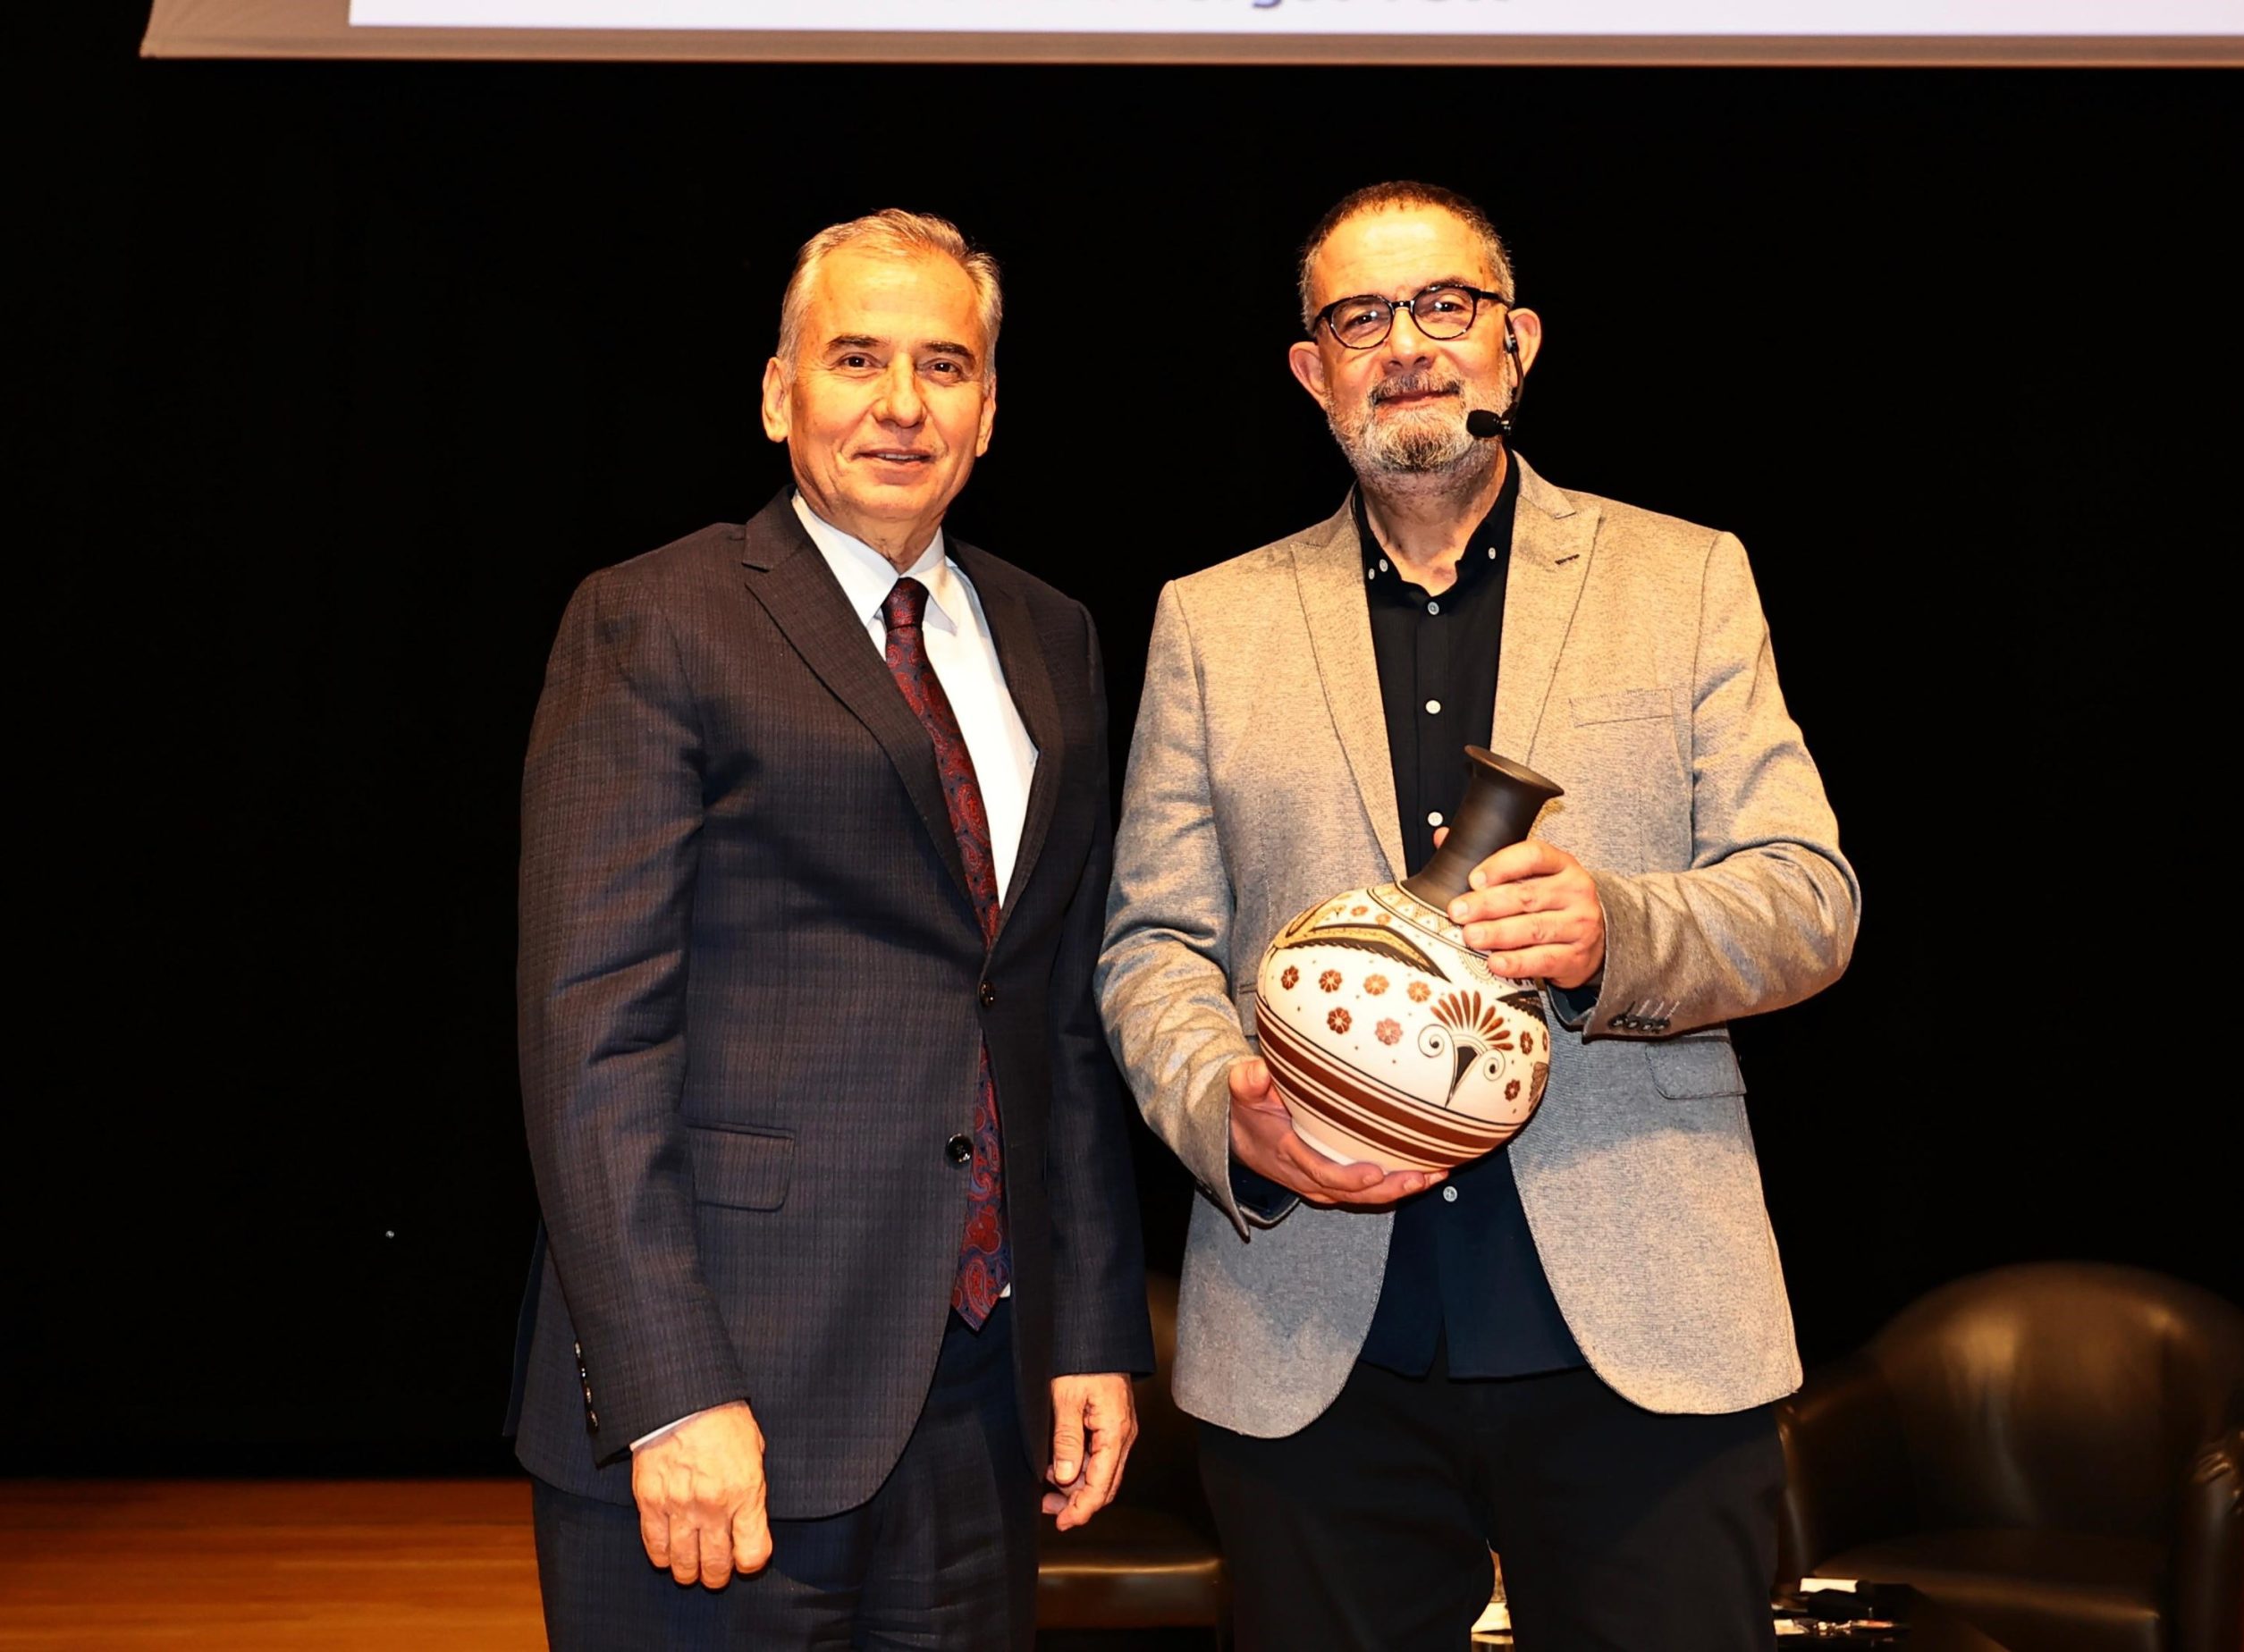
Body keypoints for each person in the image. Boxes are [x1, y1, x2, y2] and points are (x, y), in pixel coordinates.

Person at [1096, 181, 1861, 1651]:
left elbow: (1810, 898)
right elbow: (1152, 945)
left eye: (1444, 307)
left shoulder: (1688, 578)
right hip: (1317, 1347)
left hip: (1642, 1341)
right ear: (1312, 374)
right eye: (1359, 318)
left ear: (1515, 344)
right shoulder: (1213, 617)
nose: (1407, 347)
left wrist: (1617, 933)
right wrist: (1224, 1105)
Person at [510, 208, 1152, 1649]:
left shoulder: (1054, 638)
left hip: (984, 1407)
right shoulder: (656, 619)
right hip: (725, 1399)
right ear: (777, 391)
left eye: (945, 364)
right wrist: (669, 1385)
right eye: (856, 357)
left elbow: (1052, 1018)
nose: (901, 402)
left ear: (990, 407)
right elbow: (588, 1032)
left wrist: (1096, 1332)